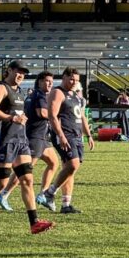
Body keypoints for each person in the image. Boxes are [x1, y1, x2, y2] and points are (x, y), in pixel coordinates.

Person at [0, 60, 55, 236]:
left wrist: (22, 118)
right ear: (8, 71)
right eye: (18, 71)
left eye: (23, 72)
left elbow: (18, 113)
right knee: (1, 183)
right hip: (3, 141)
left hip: (21, 141)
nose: (21, 75)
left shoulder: (20, 92)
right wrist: (11, 118)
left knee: (27, 180)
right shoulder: (1, 88)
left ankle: (34, 223)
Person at [0, 71, 60, 212]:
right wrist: (55, 115)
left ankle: (43, 194)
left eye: (51, 81)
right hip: (35, 137)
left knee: (54, 162)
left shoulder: (33, 95)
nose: (50, 84)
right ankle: (4, 194)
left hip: (42, 137)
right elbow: (41, 113)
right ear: (40, 82)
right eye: (47, 81)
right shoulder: (40, 95)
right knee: (24, 171)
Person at [38, 67, 94, 214]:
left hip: (76, 135)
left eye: (76, 80)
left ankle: (66, 204)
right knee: (72, 165)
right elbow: (52, 115)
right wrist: (61, 135)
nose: (73, 82)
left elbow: (82, 117)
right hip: (65, 134)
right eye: (71, 79)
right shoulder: (58, 92)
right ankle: (49, 193)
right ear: (63, 78)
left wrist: (89, 135)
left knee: (70, 170)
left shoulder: (76, 96)